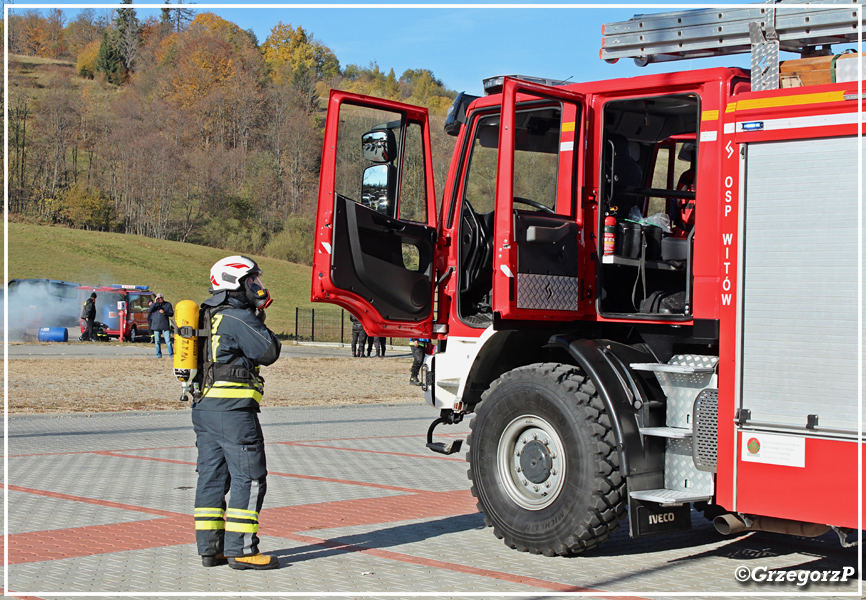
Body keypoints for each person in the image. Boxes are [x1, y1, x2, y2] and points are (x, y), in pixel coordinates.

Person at [192, 255, 282, 571]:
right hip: (233, 413)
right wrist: (258, 317)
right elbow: (269, 350)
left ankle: (210, 549)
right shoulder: (238, 317)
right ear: (235, 283)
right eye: (251, 281)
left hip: (204, 409)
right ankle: (242, 550)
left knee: (212, 478)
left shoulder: (209, 316)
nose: (256, 286)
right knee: (250, 478)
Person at [148, 293, 174, 358]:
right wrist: (154, 303)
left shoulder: (167, 304)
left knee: (168, 341)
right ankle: (158, 355)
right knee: (157, 341)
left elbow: (171, 314)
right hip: (156, 325)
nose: (159, 300)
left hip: (164, 325)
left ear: (163, 298)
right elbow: (149, 310)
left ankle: (171, 354)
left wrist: (164, 312)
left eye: (160, 298)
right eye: (158, 298)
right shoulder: (155, 306)